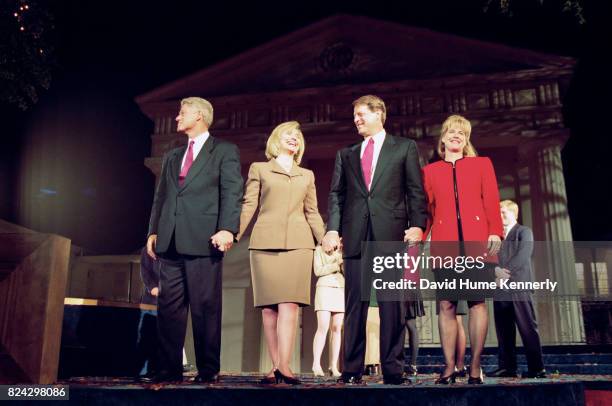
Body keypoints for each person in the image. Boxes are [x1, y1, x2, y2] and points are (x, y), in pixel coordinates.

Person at [323, 94, 428, 385]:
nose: (356, 119)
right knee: (355, 303)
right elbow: (336, 194)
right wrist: (333, 228)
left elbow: (415, 191)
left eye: (361, 114)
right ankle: (352, 369)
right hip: (355, 235)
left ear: (379, 113)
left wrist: (418, 226)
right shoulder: (346, 154)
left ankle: (393, 370)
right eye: (354, 115)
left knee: (391, 304)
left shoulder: (404, 147)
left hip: (390, 234)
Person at [146, 97, 243, 383]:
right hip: (170, 240)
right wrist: (153, 231)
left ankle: (207, 370)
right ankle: (168, 369)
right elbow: (160, 196)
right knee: (169, 309)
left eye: (182, 113)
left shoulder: (224, 151)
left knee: (205, 308)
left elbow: (232, 192)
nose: (177, 118)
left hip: (204, 240)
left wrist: (228, 228)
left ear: (199, 116)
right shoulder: (171, 156)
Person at [237, 121, 326, 385]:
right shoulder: (259, 169)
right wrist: (233, 234)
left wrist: (324, 238)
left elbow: (312, 211)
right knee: (269, 309)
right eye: (288, 134)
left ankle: (284, 366)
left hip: (299, 244)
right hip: (264, 243)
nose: (294, 138)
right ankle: (275, 366)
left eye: (297, 136)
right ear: (276, 139)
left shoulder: (307, 175)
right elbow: (249, 204)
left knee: (290, 304)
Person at [422, 114, 503, 385]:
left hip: (478, 241)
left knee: (477, 302)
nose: (457, 136)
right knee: (446, 304)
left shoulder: (481, 164)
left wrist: (495, 231)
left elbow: (491, 199)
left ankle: (475, 366)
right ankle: (448, 367)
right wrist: (419, 235)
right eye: (452, 132)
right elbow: (427, 211)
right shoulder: (430, 171)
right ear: (443, 138)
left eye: (463, 133)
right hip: (444, 245)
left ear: (466, 140)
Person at [489, 200, 546, 379]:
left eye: (503, 212)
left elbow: (523, 255)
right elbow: (489, 258)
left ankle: (537, 368)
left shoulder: (524, 231)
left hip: (519, 286)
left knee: (528, 328)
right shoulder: (496, 236)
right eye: (498, 212)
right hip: (500, 289)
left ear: (514, 213)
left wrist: (505, 274)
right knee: (503, 331)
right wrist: (495, 272)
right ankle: (507, 367)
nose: (500, 216)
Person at [311, 245, 344, 378]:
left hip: (341, 287)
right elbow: (318, 270)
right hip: (324, 287)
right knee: (323, 326)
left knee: (337, 328)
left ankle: (333, 366)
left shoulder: (344, 248)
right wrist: (336, 264)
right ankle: (316, 364)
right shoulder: (319, 249)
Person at [135, 247, 160, 381]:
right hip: (151, 300)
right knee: (147, 335)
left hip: (170, 300)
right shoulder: (147, 249)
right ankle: (144, 371)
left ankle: (161, 369)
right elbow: (145, 271)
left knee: (166, 336)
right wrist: (152, 287)